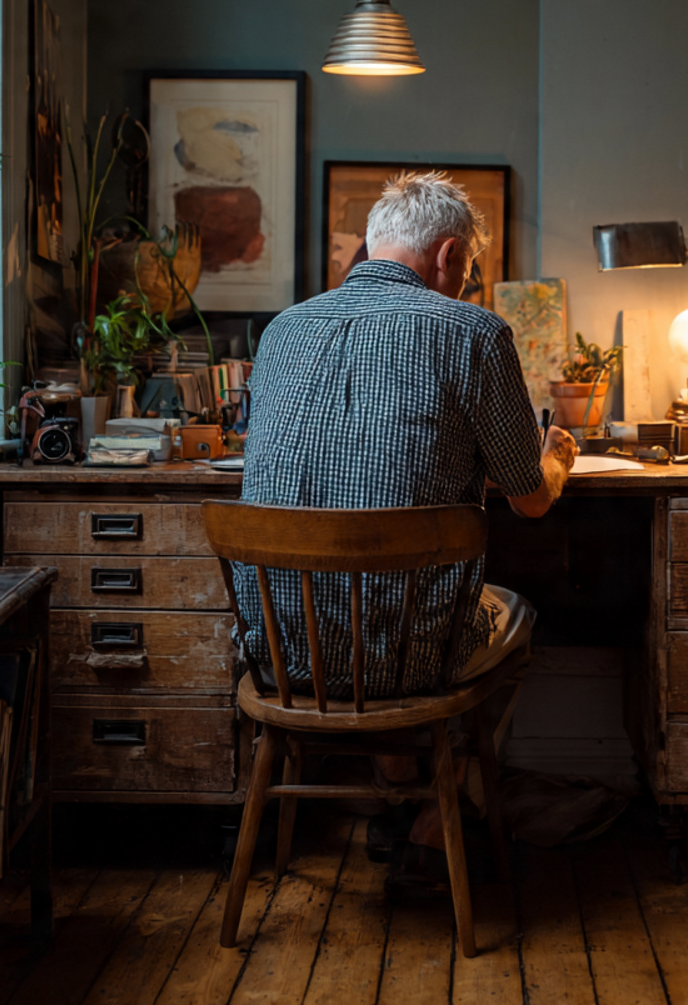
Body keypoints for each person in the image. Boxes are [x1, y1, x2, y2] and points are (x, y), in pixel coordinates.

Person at [236, 171, 577, 857]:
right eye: (467, 269)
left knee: (365, 591)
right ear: (449, 255)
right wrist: (558, 457)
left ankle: (397, 781)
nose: (464, 282)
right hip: (407, 658)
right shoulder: (475, 333)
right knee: (520, 613)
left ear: (373, 244)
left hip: (281, 647)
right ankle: (439, 812)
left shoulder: (280, 332)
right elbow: (529, 499)